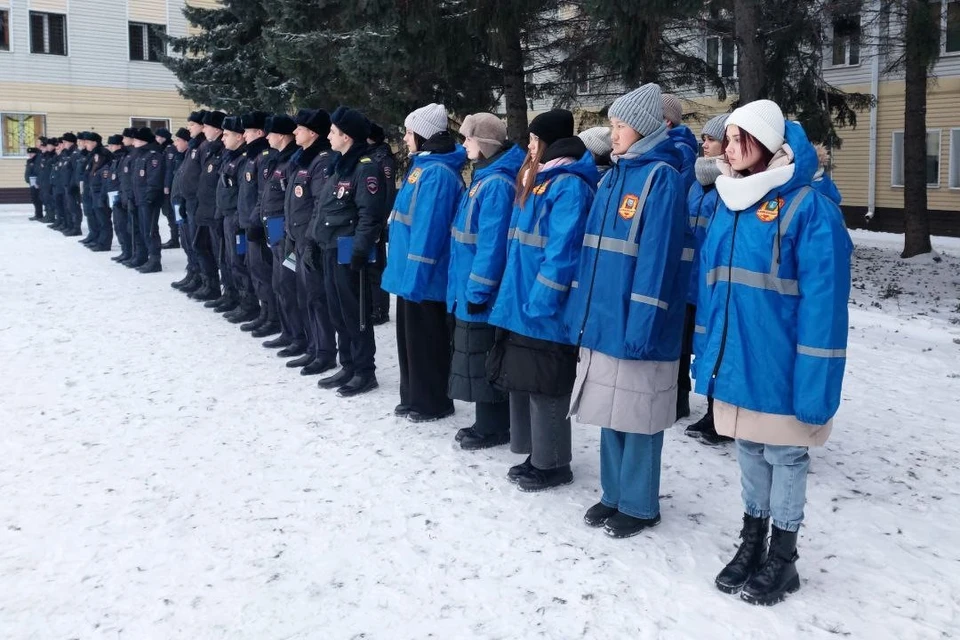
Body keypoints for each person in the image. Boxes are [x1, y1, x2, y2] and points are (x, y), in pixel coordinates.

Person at [696, 100, 852, 606]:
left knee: (785, 455)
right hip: (736, 354)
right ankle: (751, 544)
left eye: (742, 138)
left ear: (766, 143)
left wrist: (816, 382)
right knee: (747, 448)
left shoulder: (809, 207)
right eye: (729, 137)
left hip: (783, 362)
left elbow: (824, 308)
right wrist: (707, 350)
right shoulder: (728, 199)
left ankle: (783, 558)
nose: (731, 146)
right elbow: (714, 285)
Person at [565, 83, 690, 537]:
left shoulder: (661, 178)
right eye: (614, 126)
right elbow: (592, 253)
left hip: (637, 321)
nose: (612, 134)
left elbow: (656, 261)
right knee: (608, 409)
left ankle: (639, 504)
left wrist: (643, 323)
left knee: (637, 415)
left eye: (619, 126)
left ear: (641, 128)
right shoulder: (615, 174)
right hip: (603, 317)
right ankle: (613, 494)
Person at [486, 109, 599, 492]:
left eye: (534, 141)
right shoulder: (541, 179)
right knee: (528, 380)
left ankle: (553, 464)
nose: (529, 148)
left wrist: (542, 300)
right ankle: (537, 454)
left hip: (545, 306)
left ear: (549, 142)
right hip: (524, 299)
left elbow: (562, 250)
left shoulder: (568, 184)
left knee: (546, 383)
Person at [382, 103, 466, 422]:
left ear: (423, 134)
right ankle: (414, 395)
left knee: (427, 343)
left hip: (425, 279)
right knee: (410, 343)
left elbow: (428, 232)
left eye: (408, 132)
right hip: (410, 275)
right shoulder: (423, 167)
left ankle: (433, 401)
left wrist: (414, 280)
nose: (405, 138)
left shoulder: (438, 174)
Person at [447, 113, 524, 449]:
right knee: (474, 355)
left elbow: (491, 246)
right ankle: (486, 422)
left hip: (482, 292)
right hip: (467, 285)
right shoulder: (484, 177)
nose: (464, 145)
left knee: (484, 358)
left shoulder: (495, 185)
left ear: (486, 144)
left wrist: (478, 288)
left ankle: (493, 426)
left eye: (469, 139)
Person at [309, 106, 386, 397]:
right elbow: (322, 208)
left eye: (333, 132)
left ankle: (365, 371)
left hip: (348, 250)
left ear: (347, 136)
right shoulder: (338, 164)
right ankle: (348, 364)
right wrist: (314, 241)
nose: (328, 136)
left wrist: (359, 251)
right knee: (337, 311)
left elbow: (369, 215)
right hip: (329, 246)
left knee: (356, 313)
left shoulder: (364, 167)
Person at [682, 114, 732, 446]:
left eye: (711, 138)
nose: (704, 143)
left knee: (719, 346)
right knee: (701, 348)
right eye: (703, 137)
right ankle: (712, 411)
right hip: (692, 280)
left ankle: (722, 416)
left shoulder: (726, 188)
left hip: (712, 282)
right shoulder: (697, 184)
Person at [228, 111, 273, 328]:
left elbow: (262, 196)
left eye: (247, 131)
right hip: (246, 222)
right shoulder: (251, 157)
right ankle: (264, 312)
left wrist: (255, 221)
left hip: (258, 226)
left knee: (263, 271)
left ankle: (272, 316)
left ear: (260, 132)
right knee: (253, 269)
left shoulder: (264, 157)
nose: (244, 135)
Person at [258, 114, 300, 346]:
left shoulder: (291, 161)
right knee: (278, 281)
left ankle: (298, 334)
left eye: (271, 132)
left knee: (287, 282)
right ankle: (288, 331)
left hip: (284, 229)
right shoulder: (277, 159)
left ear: (282, 135)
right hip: (272, 226)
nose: (267, 136)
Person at [207, 116, 247, 313]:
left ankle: (247, 303)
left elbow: (244, 195)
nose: (223, 139)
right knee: (227, 259)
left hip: (235, 218)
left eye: (227, 135)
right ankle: (231, 295)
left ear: (239, 137)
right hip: (225, 216)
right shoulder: (229, 157)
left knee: (239, 262)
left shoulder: (243, 160)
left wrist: (238, 220)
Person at [171, 110, 210, 293]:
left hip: (197, 203)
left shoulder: (203, 147)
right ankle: (194, 273)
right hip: (186, 202)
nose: (189, 129)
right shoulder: (193, 148)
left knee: (198, 243)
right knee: (188, 241)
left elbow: (202, 178)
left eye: (191, 125)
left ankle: (206, 281)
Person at [190, 110, 227, 301]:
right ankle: (209, 284)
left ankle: (229, 293)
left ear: (218, 129)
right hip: (203, 208)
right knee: (200, 246)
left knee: (221, 254)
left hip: (215, 211)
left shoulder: (222, 149)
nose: (203, 129)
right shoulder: (208, 148)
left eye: (207, 126)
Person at [366, 122, 397, 326]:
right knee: (369, 268)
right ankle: (372, 305)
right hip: (369, 220)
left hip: (377, 220)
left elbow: (387, 191)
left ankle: (380, 309)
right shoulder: (369, 155)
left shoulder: (383, 159)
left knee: (376, 267)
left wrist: (381, 221)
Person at [130, 127, 165, 273]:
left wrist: (150, 196)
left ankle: (155, 260)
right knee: (141, 229)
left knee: (150, 230)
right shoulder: (139, 155)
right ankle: (144, 256)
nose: (134, 143)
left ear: (143, 141)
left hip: (148, 200)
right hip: (139, 198)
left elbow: (154, 178)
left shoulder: (153, 156)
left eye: (137, 140)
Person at [87, 134, 114, 252]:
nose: (85, 144)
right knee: (97, 217)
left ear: (94, 142)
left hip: (101, 190)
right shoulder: (94, 154)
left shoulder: (103, 154)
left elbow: (104, 174)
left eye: (88, 142)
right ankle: (99, 240)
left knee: (103, 218)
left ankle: (104, 243)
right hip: (95, 189)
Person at [157, 127, 181, 250]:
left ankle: (175, 239)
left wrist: (166, 185)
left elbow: (169, 169)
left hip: (170, 187)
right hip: (167, 186)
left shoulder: (170, 149)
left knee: (171, 213)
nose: (157, 139)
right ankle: (175, 237)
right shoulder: (164, 149)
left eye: (158, 137)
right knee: (168, 213)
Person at [25, 146, 43, 221]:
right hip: (31, 182)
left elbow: (37, 171)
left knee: (37, 199)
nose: (30, 155)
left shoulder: (37, 160)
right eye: (29, 153)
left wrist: (37, 181)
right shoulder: (30, 160)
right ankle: (37, 214)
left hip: (36, 182)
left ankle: (39, 214)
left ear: (35, 153)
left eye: (31, 153)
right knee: (34, 199)